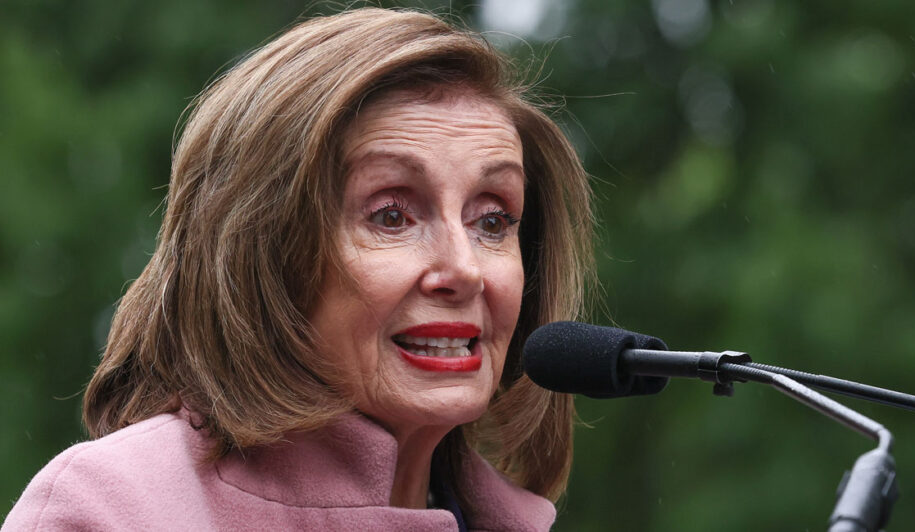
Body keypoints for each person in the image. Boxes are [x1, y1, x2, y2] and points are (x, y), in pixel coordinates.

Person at [2, 7, 594, 531]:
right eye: (391, 215)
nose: (464, 271)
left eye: (492, 221)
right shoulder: (108, 511)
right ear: (261, 251)